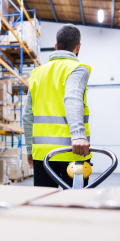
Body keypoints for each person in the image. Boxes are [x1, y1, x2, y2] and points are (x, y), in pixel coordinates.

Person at [23, 24, 91, 188]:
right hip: (74, 152)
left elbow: (27, 116)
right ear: (78, 46)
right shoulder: (77, 68)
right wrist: (78, 135)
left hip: (43, 156)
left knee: (44, 206)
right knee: (74, 206)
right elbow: (72, 97)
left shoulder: (37, 73)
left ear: (56, 46)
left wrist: (29, 149)